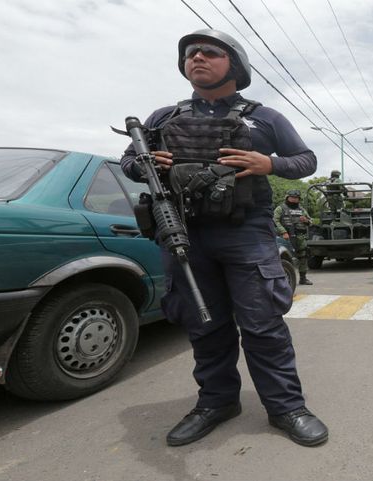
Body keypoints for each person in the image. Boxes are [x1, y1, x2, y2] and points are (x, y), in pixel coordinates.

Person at [120, 29, 328, 448]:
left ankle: (286, 407)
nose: (197, 58)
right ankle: (216, 403)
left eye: (209, 52)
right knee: (204, 326)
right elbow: (128, 162)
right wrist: (145, 165)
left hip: (245, 232)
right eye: (190, 53)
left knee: (262, 325)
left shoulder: (264, 118)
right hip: (185, 232)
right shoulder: (163, 117)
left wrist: (268, 163)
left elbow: (306, 160)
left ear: (233, 64)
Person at [274, 190, 313, 286]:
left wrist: (306, 220)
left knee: (303, 256)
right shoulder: (280, 208)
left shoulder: (302, 209)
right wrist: (283, 232)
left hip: (300, 237)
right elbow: (275, 221)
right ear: (287, 198)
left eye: (296, 198)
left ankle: (303, 278)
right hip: (285, 237)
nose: (294, 199)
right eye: (292, 198)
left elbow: (311, 222)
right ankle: (284, 278)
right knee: (285, 256)